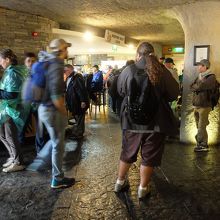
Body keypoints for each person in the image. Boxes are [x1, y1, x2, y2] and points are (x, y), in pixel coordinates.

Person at [115, 42, 179, 199]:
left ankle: (120, 182)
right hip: (155, 123)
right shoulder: (161, 70)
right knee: (149, 156)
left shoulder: (128, 70)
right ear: (153, 55)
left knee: (127, 152)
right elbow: (173, 94)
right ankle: (143, 189)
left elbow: (120, 91)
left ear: (138, 55)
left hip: (131, 122)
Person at [27, 39, 75, 189]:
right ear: (61, 50)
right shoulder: (56, 64)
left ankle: (44, 165)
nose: (68, 51)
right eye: (66, 48)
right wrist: (64, 112)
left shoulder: (45, 61)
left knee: (55, 142)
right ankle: (56, 178)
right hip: (52, 110)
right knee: (58, 145)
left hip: (43, 109)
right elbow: (56, 95)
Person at [0, 49, 29, 172]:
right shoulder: (10, 71)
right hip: (6, 109)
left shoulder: (13, 73)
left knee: (10, 136)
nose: (0, 63)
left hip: (12, 110)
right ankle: (13, 157)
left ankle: (19, 162)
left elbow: (12, 95)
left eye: (1, 60)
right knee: (2, 135)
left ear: (7, 59)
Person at [190, 59, 216, 152]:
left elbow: (200, 86)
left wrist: (197, 85)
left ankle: (203, 144)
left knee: (201, 125)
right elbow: (191, 86)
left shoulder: (211, 77)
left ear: (205, 67)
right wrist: (196, 86)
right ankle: (201, 141)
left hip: (205, 105)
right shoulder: (200, 76)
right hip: (197, 104)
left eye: (200, 65)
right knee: (199, 125)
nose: (198, 67)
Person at [64, 64, 89, 139]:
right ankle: (77, 132)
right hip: (74, 102)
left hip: (78, 102)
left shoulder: (77, 77)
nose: (64, 72)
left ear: (70, 70)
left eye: (65, 70)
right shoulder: (70, 77)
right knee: (77, 117)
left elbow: (81, 90)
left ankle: (79, 134)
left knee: (80, 117)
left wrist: (83, 101)